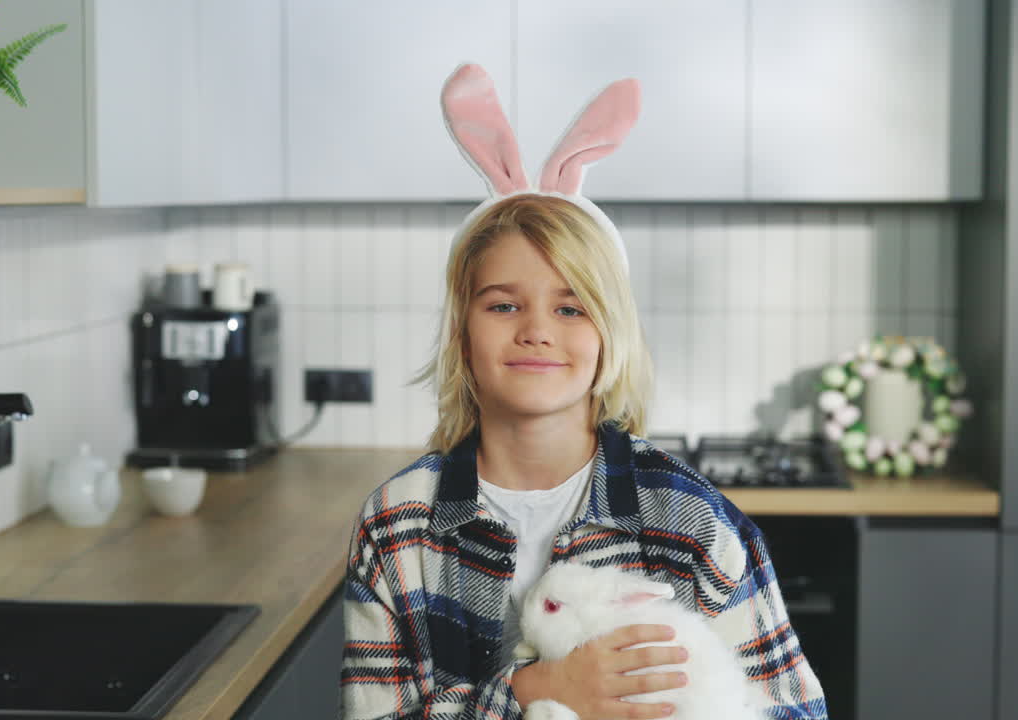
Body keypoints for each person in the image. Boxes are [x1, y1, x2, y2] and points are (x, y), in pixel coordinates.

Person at [341, 63, 828, 720]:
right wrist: (535, 694)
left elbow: (792, 711)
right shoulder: (398, 527)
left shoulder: (693, 525)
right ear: (461, 333)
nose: (538, 331)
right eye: (504, 306)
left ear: (611, 334)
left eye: (572, 309)